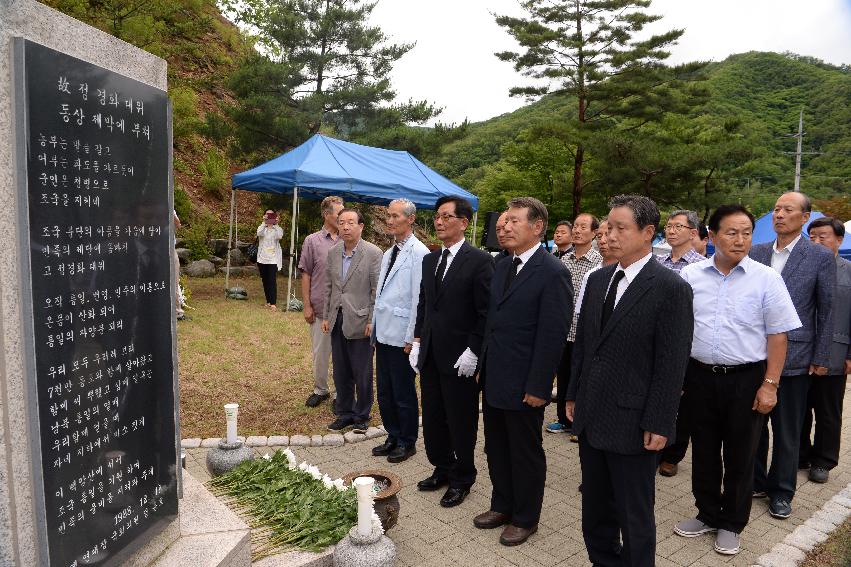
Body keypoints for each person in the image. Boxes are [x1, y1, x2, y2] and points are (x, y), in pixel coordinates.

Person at [566, 194, 693, 567]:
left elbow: (672, 364)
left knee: (634, 512)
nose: (611, 234)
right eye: (609, 226)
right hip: (592, 413)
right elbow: (585, 347)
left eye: (622, 228)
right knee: (595, 508)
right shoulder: (598, 279)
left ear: (648, 233)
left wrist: (660, 421)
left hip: (635, 420)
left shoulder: (670, 288)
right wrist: (572, 394)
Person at [673, 205, 800, 556]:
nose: (740, 239)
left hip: (747, 379)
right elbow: (678, 329)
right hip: (699, 375)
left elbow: (778, 336)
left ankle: (732, 523)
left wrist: (770, 384)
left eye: (746, 232)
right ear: (711, 236)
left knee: (742, 454)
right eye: (731, 232)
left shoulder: (766, 278)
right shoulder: (690, 277)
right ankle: (707, 512)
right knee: (705, 450)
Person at [473, 197, 572, 546]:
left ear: (537, 226)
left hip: (526, 382)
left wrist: (540, 386)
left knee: (525, 452)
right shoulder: (501, 265)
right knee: (496, 447)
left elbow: (552, 336)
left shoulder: (553, 272)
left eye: (514, 221)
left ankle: (526, 517)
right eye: (504, 221)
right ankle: (502, 504)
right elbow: (493, 323)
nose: (506, 227)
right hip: (496, 375)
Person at [750, 191, 835, 520]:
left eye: (788, 210)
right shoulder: (756, 252)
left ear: (805, 217)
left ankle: (782, 491)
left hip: (797, 358)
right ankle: (755, 481)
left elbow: (826, 310)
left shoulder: (819, 257)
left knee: (787, 432)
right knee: (754, 428)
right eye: (776, 209)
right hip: (754, 354)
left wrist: (822, 355)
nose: (779, 215)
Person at [411, 196, 494, 508]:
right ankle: (442, 467)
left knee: (461, 420)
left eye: (447, 216)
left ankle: (463, 476)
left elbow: (486, 312)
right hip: (432, 353)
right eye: (437, 216)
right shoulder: (430, 259)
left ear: (464, 221)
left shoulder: (480, 260)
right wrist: (418, 340)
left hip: (461, 358)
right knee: (433, 417)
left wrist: (474, 350)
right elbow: (424, 304)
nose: (440, 222)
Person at [370, 199, 429, 463]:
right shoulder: (389, 251)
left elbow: (419, 298)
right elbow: (381, 293)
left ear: (411, 219)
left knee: (403, 391)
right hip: (383, 331)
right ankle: (392, 434)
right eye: (388, 217)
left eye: (395, 217)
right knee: (385, 390)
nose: (390, 221)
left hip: (401, 335)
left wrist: (411, 337)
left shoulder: (419, 253)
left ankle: (407, 440)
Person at [321, 208, 382, 433]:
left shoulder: (373, 253)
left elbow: (377, 291)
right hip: (337, 318)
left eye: (351, 222)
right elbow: (329, 286)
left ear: (361, 226)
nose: (345, 227)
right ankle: (345, 412)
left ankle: (362, 414)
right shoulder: (333, 252)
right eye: (342, 222)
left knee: (362, 371)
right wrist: (327, 316)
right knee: (341, 370)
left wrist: (371, 320)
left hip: (361, 321)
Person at [800, 217, 851, 483]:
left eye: (823, 236)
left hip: (835, 353)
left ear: (839, 240)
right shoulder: (803, 268)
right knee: (799, 407)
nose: (817, 242)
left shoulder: (849, 271)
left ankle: (824, 460)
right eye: (813, 237)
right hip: (801, 352)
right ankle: (800, 454)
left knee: (828, 411)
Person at [656, 210, 706, 477]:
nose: (672, 230)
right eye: (669, 225)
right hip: (656, 339)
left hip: (688, 342)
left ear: (693, 232)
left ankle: (673, 455)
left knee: (683, 403)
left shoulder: (702, 266)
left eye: (678, 226)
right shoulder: (658, 262)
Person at [546, 214, 601, 436]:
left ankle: (580, 422)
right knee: (564, 374)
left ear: (594, 233)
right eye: (575, 226)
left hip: (585, 331)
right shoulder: (563, 261)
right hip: (562, 330)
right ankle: (563, 419)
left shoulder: (598, 262)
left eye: (583, 227)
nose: (577, 231)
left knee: (582, 377)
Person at [300, 196, 344, 408]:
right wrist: (307, 305)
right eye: (339, 214)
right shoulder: (312, 241)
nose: (343, 217)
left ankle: (340, 393)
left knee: (342, 355)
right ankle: (320, 389)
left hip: (345, 309)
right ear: (327, 215)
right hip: (320, 308)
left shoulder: (349, 240)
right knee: (321, 352)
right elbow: (306, 273)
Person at [256, 210, 284, 310]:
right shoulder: (262, 228)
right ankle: (268, 301)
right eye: (268, 214)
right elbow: (259, 233)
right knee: (265, 280)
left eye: (272, 215)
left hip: (273, 259)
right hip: (262, 258)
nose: (270, 216)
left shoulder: (278, 229)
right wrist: (264, 222)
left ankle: (273, 303)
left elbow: (279, 236)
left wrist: (275, 224)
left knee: (272, 280)